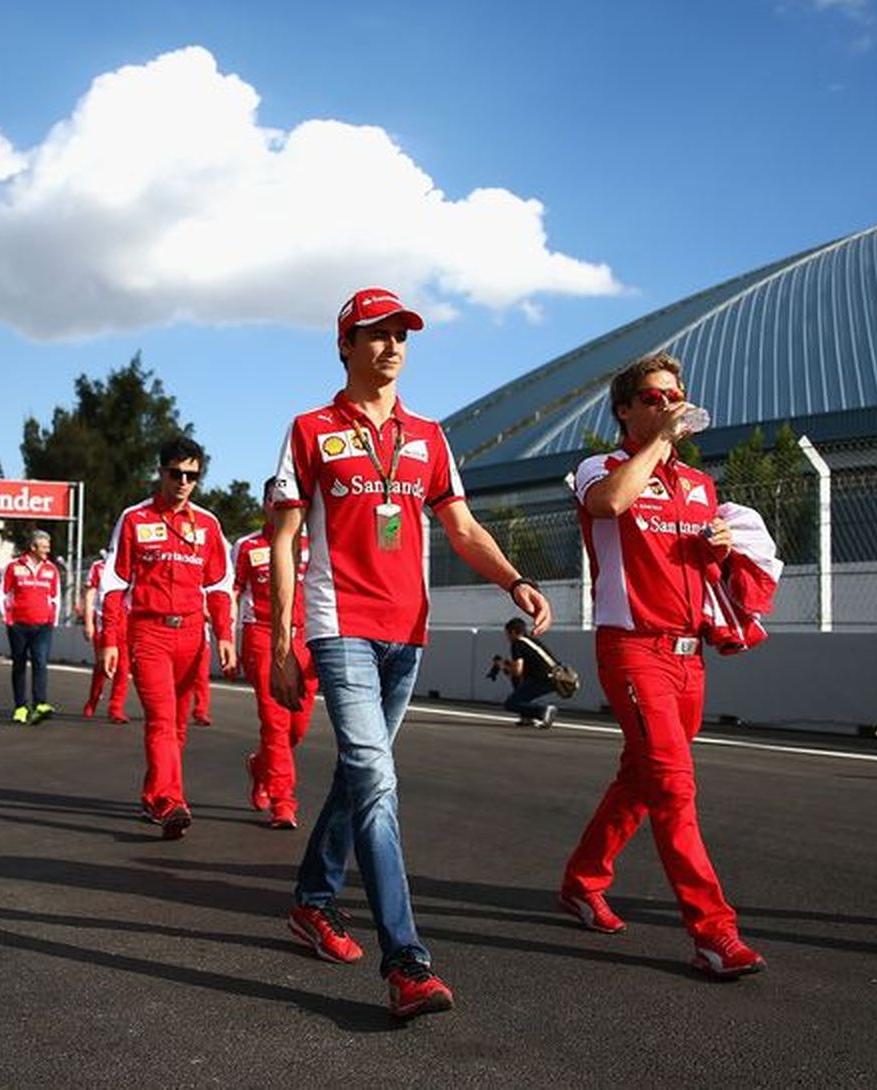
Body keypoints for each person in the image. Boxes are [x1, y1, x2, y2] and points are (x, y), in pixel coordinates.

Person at [269, 286, 551, 1021]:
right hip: (339, 626)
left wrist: (514, 579)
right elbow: (283, 541)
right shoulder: (309, 429)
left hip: (408, 633)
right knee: (376, 778)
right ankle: (407, 962)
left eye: (403, 334)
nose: (393, 346)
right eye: (376, 334)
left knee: (359, 775)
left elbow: (461, 528)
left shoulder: (429, 436)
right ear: (345, 345)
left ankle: (311, 901)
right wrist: (281, 638)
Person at [558, 351, 765, 979]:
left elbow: (699, 567)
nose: (668, 404)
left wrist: (720, 548)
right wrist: (660, 441)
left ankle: (581, 880)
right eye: (652, 398)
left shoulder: (701, 486)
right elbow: (609, 506)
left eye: (674, 395)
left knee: (641, 779)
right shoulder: (604, 466)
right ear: (625, 410)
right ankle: (714, 933)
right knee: (674, 788)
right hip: (632, 648)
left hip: (688, 653)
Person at [99, 436, 236, 840]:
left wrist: (225, 635)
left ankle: (150, 795)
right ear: (160, 472)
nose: (183, 482)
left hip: (193, 635)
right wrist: (110, 638)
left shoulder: (208, 525)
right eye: (176, 473)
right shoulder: (135, 519)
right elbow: (114, 582)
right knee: (160, 721)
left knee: (178, 727)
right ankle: (170, 802)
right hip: (149, 632)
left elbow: (219, 587)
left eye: (192, 475)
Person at [234, 478, 319, 830]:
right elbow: (231, 590)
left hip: (306, 639)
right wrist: (225, 636)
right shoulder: (247, 546)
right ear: (266, 504)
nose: (282, 505)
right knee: (276, 722)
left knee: (296, 727)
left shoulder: (314, 545)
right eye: (275, 499)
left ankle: (260, 766)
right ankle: (284, 802)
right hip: (263, 637)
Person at [0, 529, 62, 724]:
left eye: (48, 546)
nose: (47, 550)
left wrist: (54, 620)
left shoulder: (52, 569)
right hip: (17, 624)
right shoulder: (13, 567)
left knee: (40, 663)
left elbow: (56, 596)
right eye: (43, 547)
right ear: (33, 547)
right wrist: (6, 617)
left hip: (43, 626)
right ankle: (20, 707)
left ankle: (40, 704)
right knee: (19, 664)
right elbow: (1, 593)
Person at [81, 548, 132, 724]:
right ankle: (93, 699)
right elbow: (90, 596)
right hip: (102, 621)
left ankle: (116, 708)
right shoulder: (98, 567)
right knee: (103, 664)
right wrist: (88, 622)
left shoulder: (131, 567)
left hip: (124, 621)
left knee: (123, 667)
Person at [497, 617, 560, 728]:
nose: (507, 637)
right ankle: (527, 717)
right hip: (556, 676)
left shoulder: (517, 643)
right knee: (519, 684)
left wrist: (503, 667)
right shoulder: (532, 640)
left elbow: (517, 671)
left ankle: (544, 710)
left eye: (507, 634)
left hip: (543, 678)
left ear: (512, 632)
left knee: (510, 704)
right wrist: (509, 665)